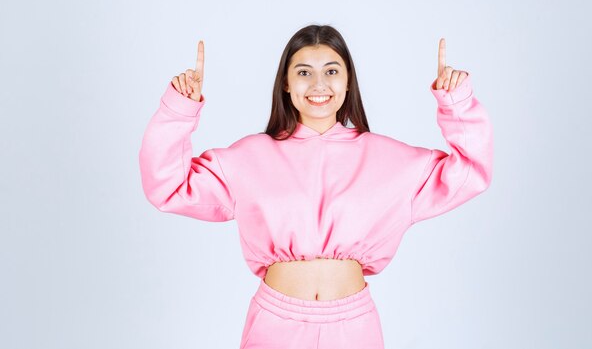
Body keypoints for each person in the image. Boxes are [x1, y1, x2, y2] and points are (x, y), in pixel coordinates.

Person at [138, 24, 494, 349]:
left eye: (332, 71)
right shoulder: (249, 157)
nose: (319, 85)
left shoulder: (390, 159)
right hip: (275, 326)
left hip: (353, 328)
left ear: (348, 82)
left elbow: (469, 172)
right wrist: (180, 110)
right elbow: (168, 185)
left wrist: (457, 103)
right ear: (286, 83)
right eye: (304, 72)